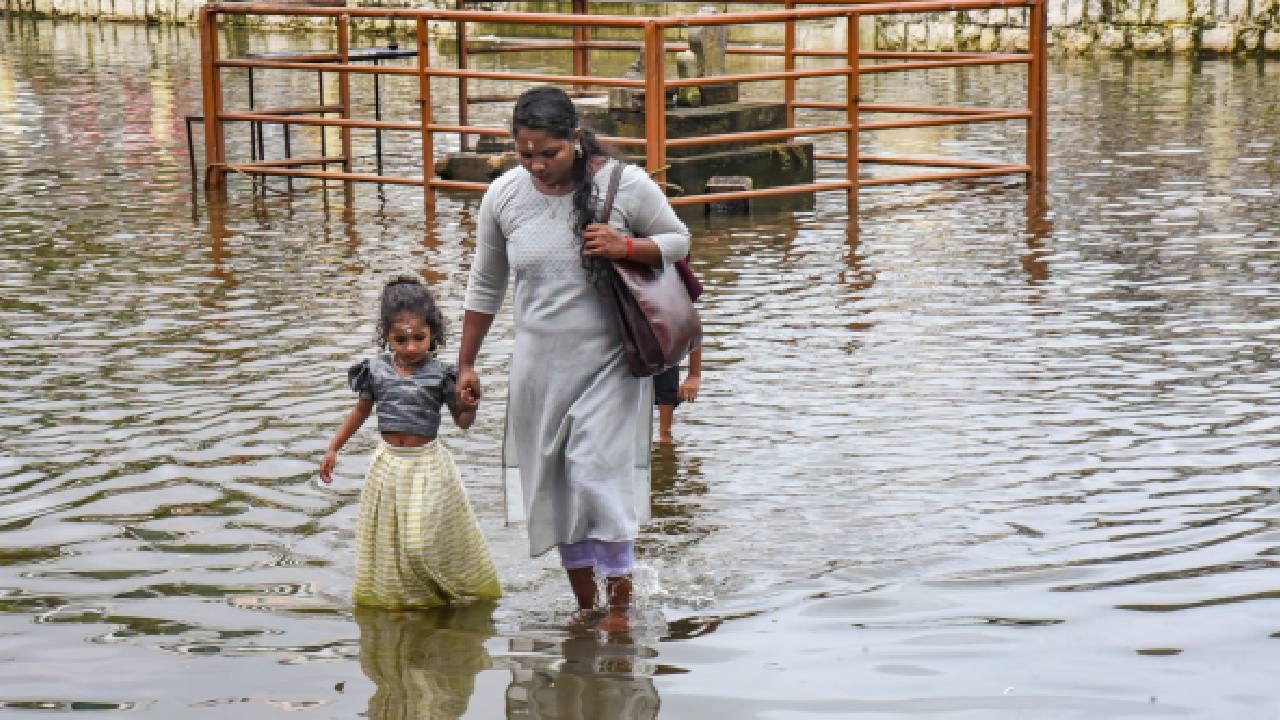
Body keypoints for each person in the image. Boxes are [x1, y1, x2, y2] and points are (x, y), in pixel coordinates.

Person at [458, 86, 691, 631]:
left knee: (594, 475)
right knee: (558, 488)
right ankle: (586, 608)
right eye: (526, 154)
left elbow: (678, 240)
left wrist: (626, 247)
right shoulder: (503, 196)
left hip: (610, 362)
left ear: (576, 139)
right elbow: (485, 284)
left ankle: (620, 607)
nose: (537, 165)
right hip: (539, 366)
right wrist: (466, 363)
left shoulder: (624, 185)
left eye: (549, 153)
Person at [321, 275, 501, 610]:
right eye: (400, 339)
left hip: (427, 467)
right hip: (388, 467)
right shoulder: (375, 370)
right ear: (386, 336)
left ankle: (443, 592)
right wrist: (334, 448)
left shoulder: (441, 375)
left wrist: (470, 405)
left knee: (419, 543)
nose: (412, 347)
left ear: (433, 333)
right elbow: (360, 411)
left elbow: (462, 423)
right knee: (394, 543)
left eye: (420, 337)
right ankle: (409, 603)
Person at [654, 347, 702, 444]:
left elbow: (694, 334)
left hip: (663, 352)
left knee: (664, 437)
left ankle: (665, 439)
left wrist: (694, 374)